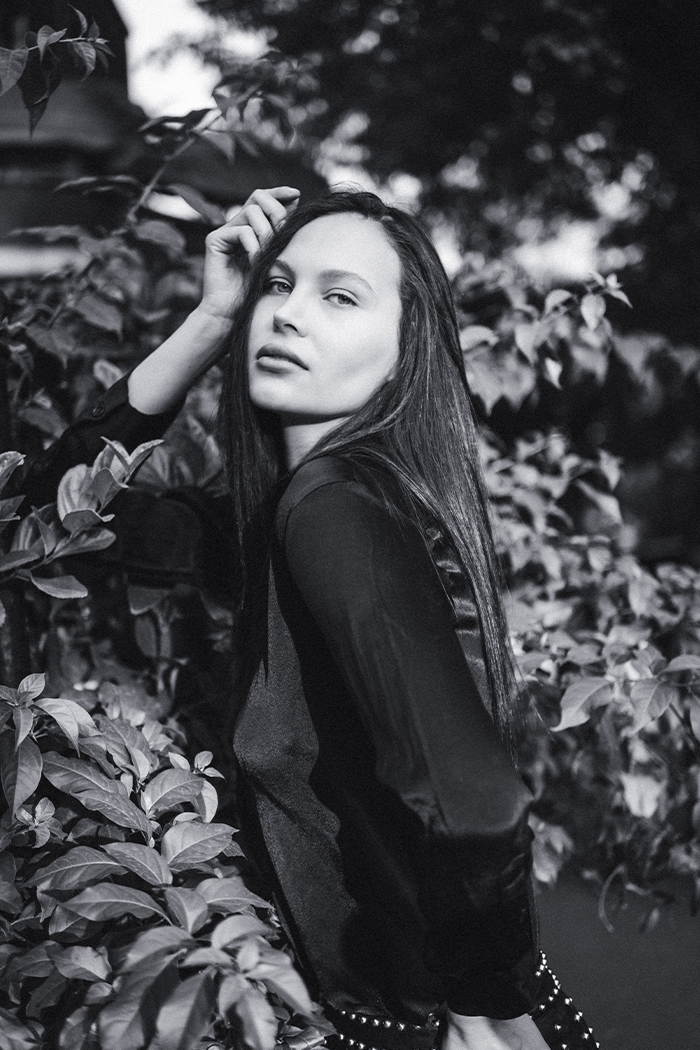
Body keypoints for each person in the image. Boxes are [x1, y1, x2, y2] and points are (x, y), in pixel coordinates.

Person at [23, 187, 598, 1050]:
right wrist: (212, 320)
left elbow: (474, 801)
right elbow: (41, 520)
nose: (289, 313)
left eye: (340, 296)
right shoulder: (285, 509)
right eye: (278, 285)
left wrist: (488, 1011)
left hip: (430, 1027)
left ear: (404, 356)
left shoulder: (335, 508)